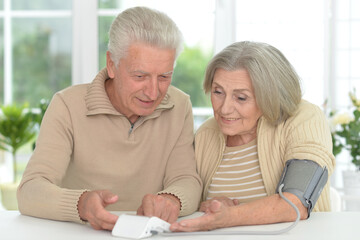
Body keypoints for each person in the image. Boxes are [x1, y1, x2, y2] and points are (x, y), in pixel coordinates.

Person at [17, 6, 202, 231]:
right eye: (140, 76)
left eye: (164, 77)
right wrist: (81, 204)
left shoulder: (179, 106)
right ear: (112, 64)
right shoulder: (67, 105)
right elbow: (30, 190)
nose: (153, 93)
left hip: (150, 233)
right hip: (79, 234)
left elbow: (187, 180)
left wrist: (172, 199)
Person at [170, 41, 335, 232]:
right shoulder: (207, 134)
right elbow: (194, 202)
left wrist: (228, 216)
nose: (224, 108)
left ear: (270, 96)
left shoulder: (304, 118)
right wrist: (208, 206)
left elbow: (297, 202)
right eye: (218, 92)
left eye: (241, 98)